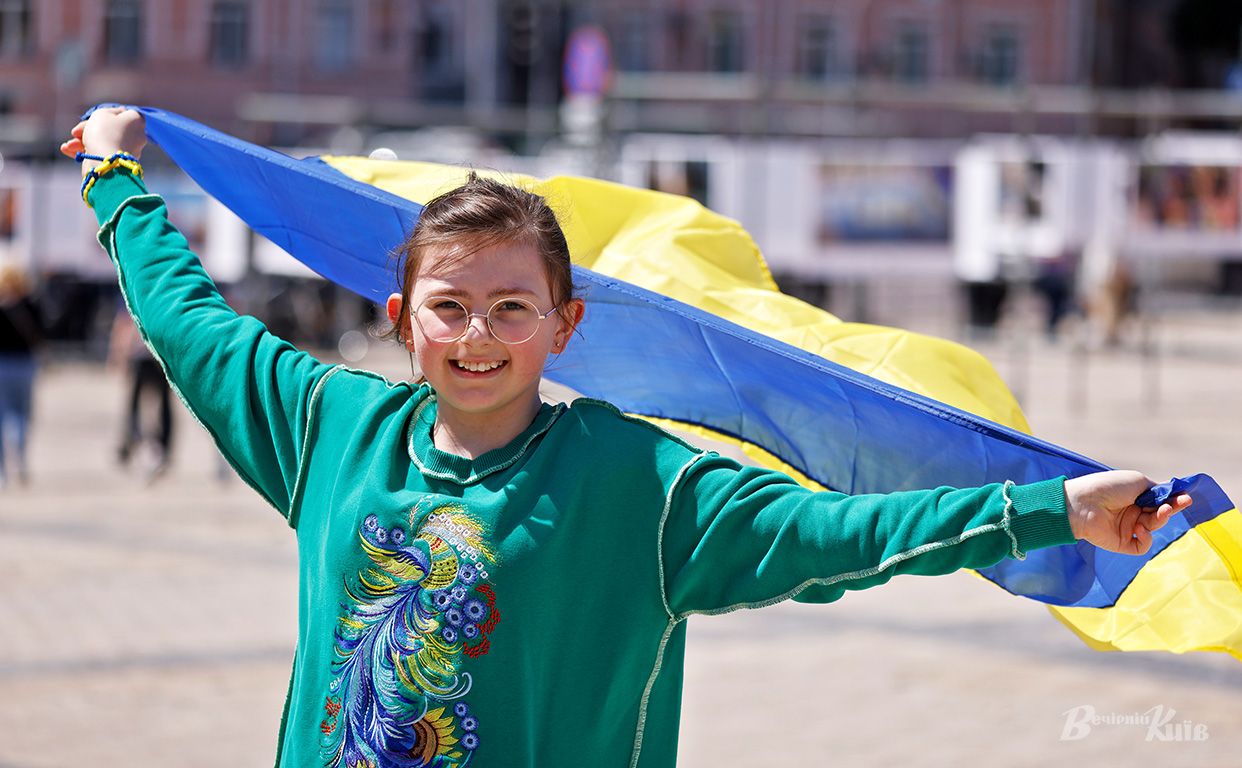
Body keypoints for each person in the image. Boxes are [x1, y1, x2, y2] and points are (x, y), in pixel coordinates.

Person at [61, 107, 1192, 768]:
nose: (478, 335)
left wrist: (1049, 509)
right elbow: (190, 323)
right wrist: (114, 179)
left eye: (513, 307)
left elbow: (845, 533)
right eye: (450, 307)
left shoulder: (640, 484)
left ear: (566, 326)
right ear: (402, 320)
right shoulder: (330, 429)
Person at [108, 304, 173, 479]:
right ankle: (136, 441)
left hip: (152, 356)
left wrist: (118, 354)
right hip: (145, 355)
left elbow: (122, 324)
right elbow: (123, 323)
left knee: (156, 404)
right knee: (139, 404)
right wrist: (118, 353)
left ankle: (156, 445)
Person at [0, 263, 42, 487]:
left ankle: (2, 471)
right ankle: (21, 459)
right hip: (25, 365)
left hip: (3, 365)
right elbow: (42, 334)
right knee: (22, 414)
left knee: (2, 416)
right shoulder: (30, 306)